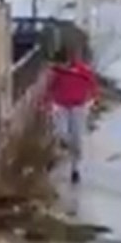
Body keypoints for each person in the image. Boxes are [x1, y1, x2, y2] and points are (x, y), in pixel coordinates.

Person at [46, 47, 98, 183]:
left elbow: (92, 84)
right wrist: (46, 103)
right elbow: (49, 88)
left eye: (61, 64)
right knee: (61, 132)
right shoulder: (56, 72)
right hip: (60, 105)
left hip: (78, 107)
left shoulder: (82, 70)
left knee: (77, 137)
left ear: (67, 61)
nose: (59, 66)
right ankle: (64, 146)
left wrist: (91, 100)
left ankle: (75, 169)